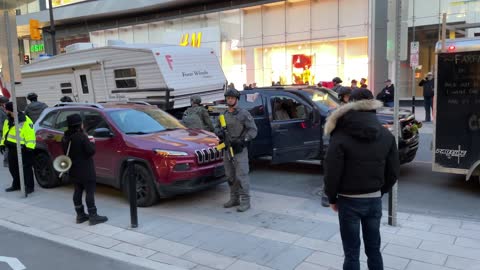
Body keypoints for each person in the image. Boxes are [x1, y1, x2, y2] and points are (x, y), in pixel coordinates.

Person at [323, 88, 399, 270]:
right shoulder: (386, 135)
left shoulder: (339, 135)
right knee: (374, 249)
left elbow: (331, 171)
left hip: (348, 201)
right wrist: (380, 191)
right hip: (373, 200)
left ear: (350, 106)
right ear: (373, 107)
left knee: (351, 252)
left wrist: (332, 198)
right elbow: (393, 172)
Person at [62, 114, 108, 225]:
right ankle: (93, 215)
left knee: (77, 190)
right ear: (79, 124)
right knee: (89, 191)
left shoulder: (65, 137)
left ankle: (80, 215)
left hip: (73, 169)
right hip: (86, 169)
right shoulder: (81, 136)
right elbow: (91, 151)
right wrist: (92, 142)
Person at [219, 89, 258, 212]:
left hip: (239, 149)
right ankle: (234, 198)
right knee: (230, 175)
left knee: (242, 176)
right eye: (228, 98)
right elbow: (217, 128)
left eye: (232, 98)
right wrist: (219, 133)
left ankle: (245, 201)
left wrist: (243, 140)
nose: (229, 100)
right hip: (227, 149)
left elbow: (253, 130)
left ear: (236, 99)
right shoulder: (224, 114)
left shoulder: (243, 114)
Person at [0, 102, 36, 194]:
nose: (5, 111)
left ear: (9, 110)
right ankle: (17, 185)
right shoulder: (8, 120)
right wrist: (2, 143)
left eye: (6, 109)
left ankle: (29, 187)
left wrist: (30, 147)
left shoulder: (25, 120)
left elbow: (30, 135)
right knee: (13, 168)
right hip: (12, 148)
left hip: (23, 148)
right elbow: (5, 133)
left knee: (26, 168)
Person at [0, 96, 8, 167]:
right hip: (2, 130)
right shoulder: (1, 110)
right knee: (5, 146)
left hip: (5, 129)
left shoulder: (4, 109)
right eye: (4, 102)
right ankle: (6, 162)